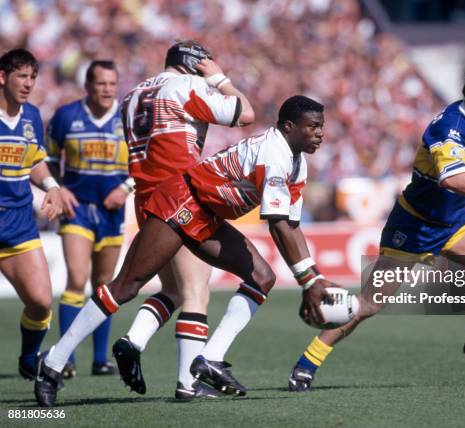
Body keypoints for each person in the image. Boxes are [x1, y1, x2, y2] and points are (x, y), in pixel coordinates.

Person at [287, 65, 465, 392]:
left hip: (453, 224)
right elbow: (452, 178)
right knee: (369, 304)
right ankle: (306, 364)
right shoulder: (450, 126)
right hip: (414, 226)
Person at [35, 95, 337, 407]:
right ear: (289, 127)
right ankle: (53, 364)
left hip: (208, 215)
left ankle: (210, 358)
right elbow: (277, 225)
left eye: (321, 127)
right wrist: (309, 282)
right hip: (181, 201)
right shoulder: (275, 154)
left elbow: (291, 224)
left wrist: (314, 278)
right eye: (313, 127)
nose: (320, 133)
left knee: (262, 277)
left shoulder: (297, 163)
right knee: (126, 287)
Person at [114, 40, 255, 400]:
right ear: (193, 64)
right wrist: (221, 79)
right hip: (177, 197)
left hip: (145, 197)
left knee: (174, 290)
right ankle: (187, 384)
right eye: (204, 64)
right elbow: (245, 113)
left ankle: (134, 340)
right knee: (196, 291)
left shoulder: (133, 94)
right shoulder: (185, 85)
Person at [46, 60, 128, 379]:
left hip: (112, 212)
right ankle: (64, 357)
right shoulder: (66, 116)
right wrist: (59, 188)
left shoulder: (127, 118)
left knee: (104, 284)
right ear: (87, 86)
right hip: (76, 209)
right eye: (100, 83)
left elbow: (145, 161)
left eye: (111, 83)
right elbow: (49, 158)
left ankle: (99, 358)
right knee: (77, 278)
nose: (107, 89)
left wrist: (126, 188)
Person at [0, 48, 63, 380]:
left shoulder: (32, 116)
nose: (28, 83)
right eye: (21, 76)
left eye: (32, 77)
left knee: (40, 302)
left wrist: (51, 185)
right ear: (2, 77)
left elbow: (35, 159)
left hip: (18, 223)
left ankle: (28, 358)